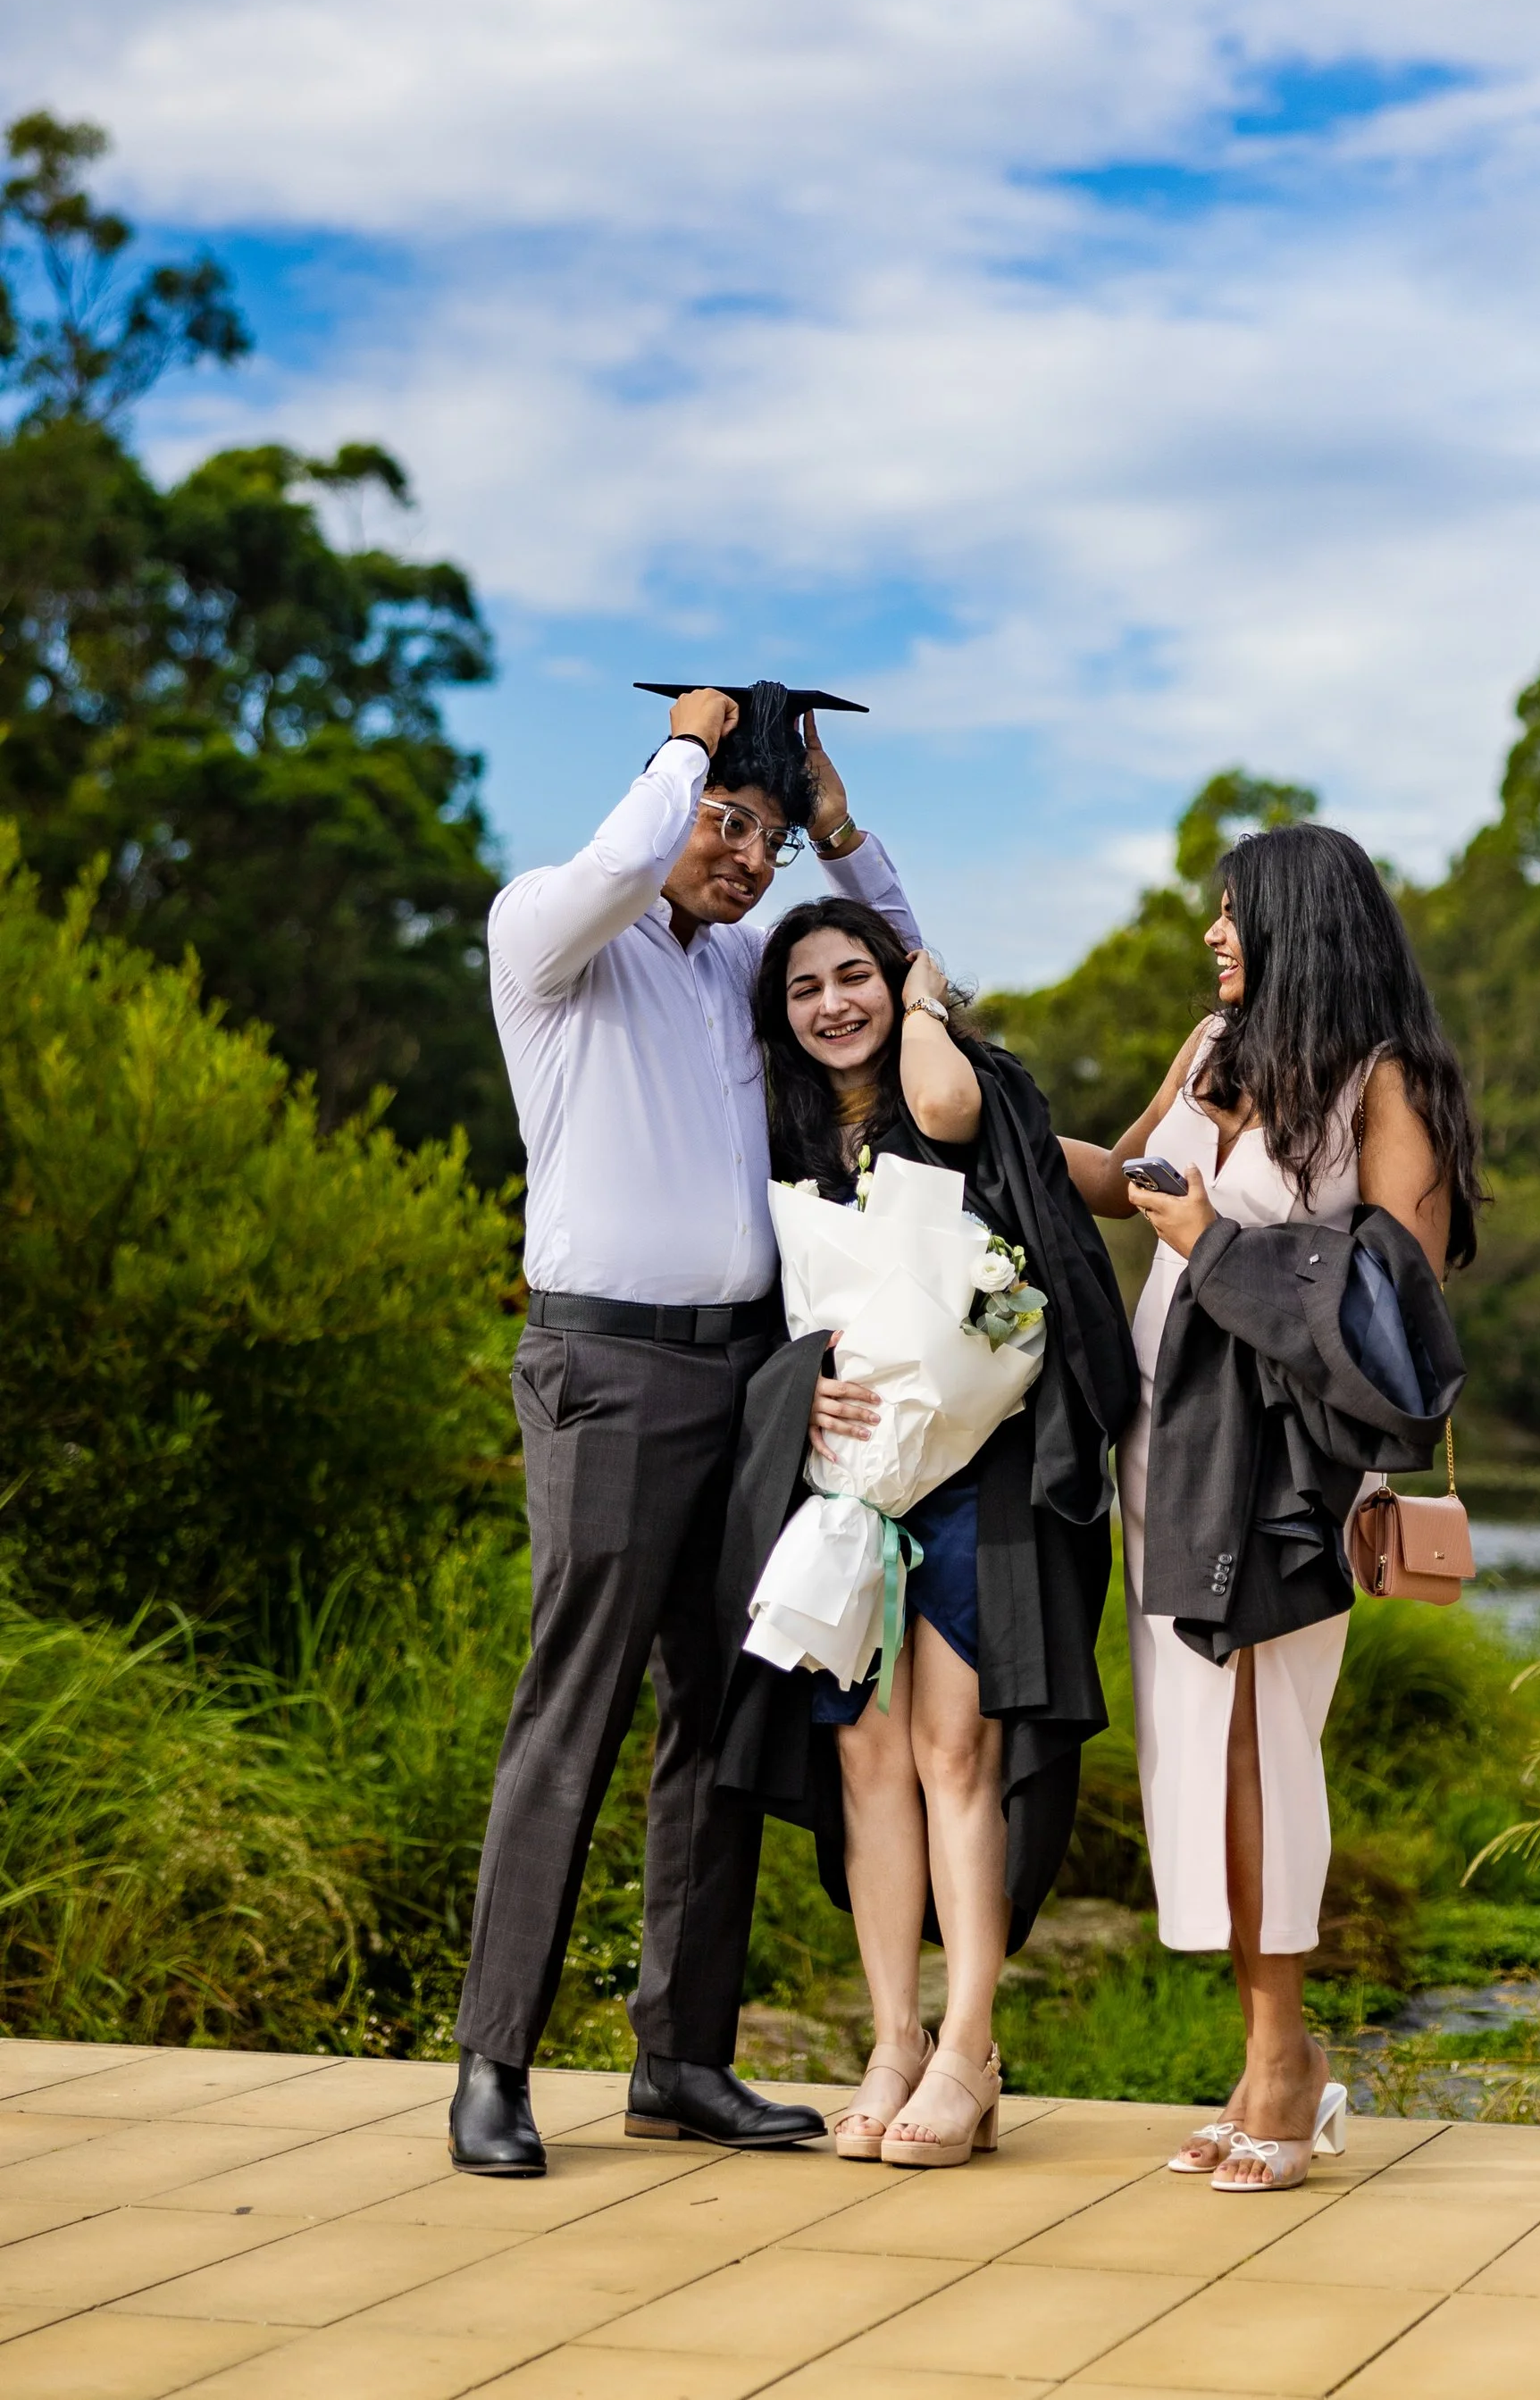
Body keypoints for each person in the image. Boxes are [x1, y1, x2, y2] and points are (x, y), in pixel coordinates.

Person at [449, 683, 918, 2177]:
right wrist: (690, 745)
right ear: (665, 802)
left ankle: (681, 2058)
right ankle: (493, 2065)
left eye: (766, 838)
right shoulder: (554, 941)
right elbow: (611, 866)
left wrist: (832, 822)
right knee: (570, 1708)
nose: (745, 855)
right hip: (604, 1371)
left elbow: (901, 975)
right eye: (730, 823)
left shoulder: (731, 976)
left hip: (743, 1381)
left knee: (720, 1720)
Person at [1065, 822, 1475, 2195]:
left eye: (1235, 912)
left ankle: (1287, 2056)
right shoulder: (1207, 1053)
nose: (1213, 934)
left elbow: (1400, 1313)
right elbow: (1125, 1183)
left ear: (1301, 920)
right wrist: (963, 1096)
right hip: (1170, 1456)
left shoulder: (1381, 1084)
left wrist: (1217, 1245)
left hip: (1291, 1476)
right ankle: (1260, 2056)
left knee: (1262, 1750)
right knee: (1201, 1753)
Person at [713, 899, 1135, 2170]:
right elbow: (749, 1325)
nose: (833, 1002)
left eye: (859, 976)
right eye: (804, 987)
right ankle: (891, 2041)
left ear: (900, 988)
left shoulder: (961, 1097)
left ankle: (968, 2049)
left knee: (960, 1749)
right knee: (866, 1760)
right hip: (847, 1484)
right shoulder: (774, 1137)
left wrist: (934, 999)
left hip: (983, 1478)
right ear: (777, 1016)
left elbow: (965, 1117)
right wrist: (800, 1388)